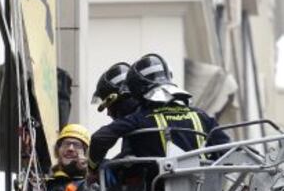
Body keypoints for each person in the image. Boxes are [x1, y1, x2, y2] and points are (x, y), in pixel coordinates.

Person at [87, 52, 230, 182]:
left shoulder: (140, 120)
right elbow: (229, 153)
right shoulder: (201, 116)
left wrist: (94, 169)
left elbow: (100, 138)